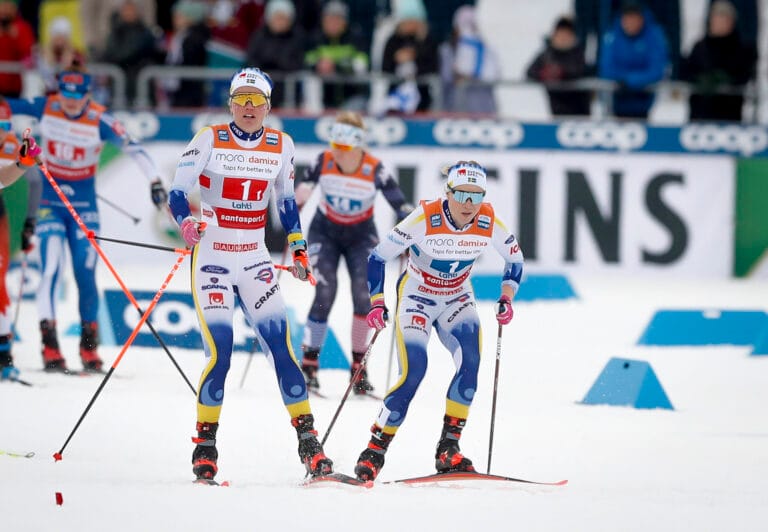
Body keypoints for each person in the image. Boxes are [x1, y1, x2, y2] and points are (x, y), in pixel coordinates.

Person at [167, 67, 334, 482]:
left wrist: (296, 242)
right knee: (220, 350)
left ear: (268, 106)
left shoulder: (282, 144)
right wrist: (186, 223)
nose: (247, 106)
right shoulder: (209, 138)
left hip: (255, 260)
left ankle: (310, 445)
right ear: (229, 103)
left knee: (281, 348)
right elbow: (177, 192)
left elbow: (285, 199)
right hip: (212, 261)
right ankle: (205, 445)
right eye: (240, 98)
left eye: (255, 100)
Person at [352, 160, 523, 481]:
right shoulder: (424, 217)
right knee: (414, 370)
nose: (469, 205)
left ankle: (449, 449)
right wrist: (377, 302)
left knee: (470, 364)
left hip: (458, 297)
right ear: (448, 193)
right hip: (417, 296)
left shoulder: (488, 221)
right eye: (462, 195)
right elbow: (378, 257)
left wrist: (506, 296)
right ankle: (374, 450)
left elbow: (515, 259)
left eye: (477, 196)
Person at [6, 60, 168, 373]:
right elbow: (8, 105)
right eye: (65, 94)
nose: (69, 101)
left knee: (85, 272)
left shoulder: (99, 119)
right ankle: (50, 345)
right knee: (51, 267)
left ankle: (89, 348)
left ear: (87, 96)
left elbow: (136, 149)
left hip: (84, 209)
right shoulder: (47, 106)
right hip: (51, 203)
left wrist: (155, 181)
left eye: (76, 96)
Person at [293, 111, 412, 396]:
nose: (339, 153)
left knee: (364, 294)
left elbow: (400, 204)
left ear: (358, 145)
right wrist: (299, 196)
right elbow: (300, 190)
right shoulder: (324, 161)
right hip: (325, 231)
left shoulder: (374, 168)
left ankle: (359, 369)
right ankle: (309, 365)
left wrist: (410, 231)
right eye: (335, 145)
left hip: (361, 235)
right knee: (325, 291)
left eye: (345, 147)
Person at [0, 106, 41, 382]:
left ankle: (4, 354)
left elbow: (3, 179)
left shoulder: (10, 142)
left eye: (4, 127)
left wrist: (23, 163)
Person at [679, 0, 757, 122]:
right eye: (716, 18)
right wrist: (699, 80)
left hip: (729, 116)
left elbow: (744, 75)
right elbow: (684, 72)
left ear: (732, 22)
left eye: (723, 19)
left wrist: (722, 80)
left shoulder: (742, 49)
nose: (719, 23)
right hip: (699, 115)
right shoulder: (699, 47)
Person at [598, 1, 668, 119]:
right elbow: (605, 69)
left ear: (642, 19)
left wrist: (629, 81)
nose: (630, 23)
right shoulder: (612, 36)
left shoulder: (654, 36)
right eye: (627, 18)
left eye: (634, 18)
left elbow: (657, 70)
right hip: (616, 102)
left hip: (643, 103)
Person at [304, 1, 369, 110]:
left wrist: (336, 66)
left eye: (337, 19)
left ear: (345, 22)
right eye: (329, 19)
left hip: (351, 97)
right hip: (323, 99)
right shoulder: (315, 39)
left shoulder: (356, 39)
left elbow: (362, 65)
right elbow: (307, 61)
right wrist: (318, 65)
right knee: (310, 82)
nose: (333, 23)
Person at [439, 5, 501, 115]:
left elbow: (494, 75)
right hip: (455, 107)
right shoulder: (448, 50)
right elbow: (446, 77)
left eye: (470, 25)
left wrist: (470, 75)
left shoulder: (485, 49)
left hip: (483, 108)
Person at [381, 0, 439, 114]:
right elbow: (385, 68)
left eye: (414, 21)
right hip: (395, 99)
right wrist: (396, 59)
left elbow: (433, 68)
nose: (410, 25)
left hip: (423, 100)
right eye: (407, 21)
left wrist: (415, 55)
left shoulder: (428, 42)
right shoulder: (393, 41)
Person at [246, 0, 307, 109]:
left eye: (283, 18)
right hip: (261, 92)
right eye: (277, 17)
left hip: (288, 93)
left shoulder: (297, 38)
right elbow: (251, 60)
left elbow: (299, 62)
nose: (279, 22)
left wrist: (278, 64)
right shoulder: (259, 36)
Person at [526, 16, 591, 117]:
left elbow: (579, 71)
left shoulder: (578, 53)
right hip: (556, 110)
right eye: (560, 34)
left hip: (579, 111)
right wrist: (543, 73)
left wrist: (560, 72)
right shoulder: (547, 53)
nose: (563, 38)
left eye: (566, 34)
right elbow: (530, 72)